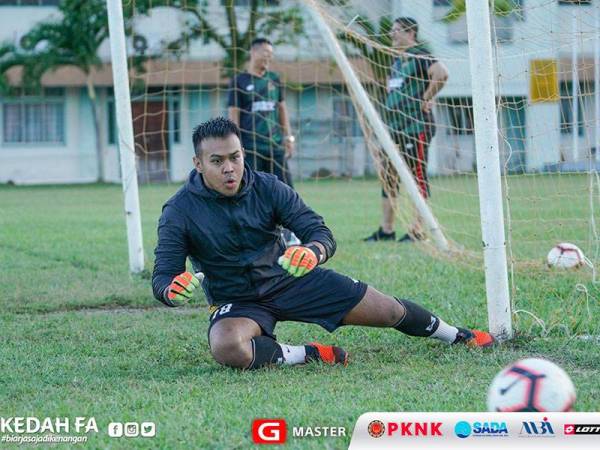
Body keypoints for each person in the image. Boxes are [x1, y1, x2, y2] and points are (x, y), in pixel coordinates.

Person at [152, 117, 493, 371]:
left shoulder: (268, 186)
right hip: (237, 299)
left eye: (235, 157)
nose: (230, 168)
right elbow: (163, 276)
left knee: (389, 310)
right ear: (198, 163)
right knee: (228, 347)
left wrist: (311, 252)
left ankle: (455, 335)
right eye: (217, 161)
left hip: (291, 281)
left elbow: (320, 232)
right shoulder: (179, 210)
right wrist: (171, 289)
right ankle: (307, 354)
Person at [364, 17, 448, 243]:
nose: (391, 35)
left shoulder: (420, 53)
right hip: (394, 129)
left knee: (416, 176)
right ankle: (386, 230)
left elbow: (441, 74)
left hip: (416, 126)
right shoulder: (397, 61)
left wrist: (427, 97)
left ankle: (417, 230)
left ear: (411, 33)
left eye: (396, 30)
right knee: (389, 176)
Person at [227, 37, 295, 188]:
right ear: (253, 52)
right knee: (253, 191)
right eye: (265, 52)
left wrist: (289, 137)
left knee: (286, 190)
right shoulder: (239, 81)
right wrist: (236, 144)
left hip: (275, 144)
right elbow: (233, 114)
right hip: (251, 147)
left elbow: (282, 109)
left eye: (271, 53)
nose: (268, 56)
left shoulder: (274, 79)